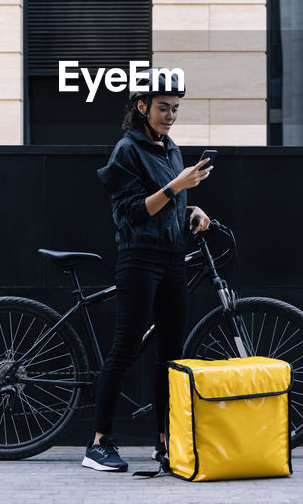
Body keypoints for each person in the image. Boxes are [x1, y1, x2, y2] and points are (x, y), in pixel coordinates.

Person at [83, 68, 212, 473]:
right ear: (141, 107)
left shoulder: (171, 150)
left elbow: (167, 204)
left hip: (173, 256)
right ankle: (98, 444)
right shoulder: (127, 149)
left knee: (171, 355)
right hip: (139, 256)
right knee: (124, 348)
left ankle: (165, 442)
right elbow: (133, 212)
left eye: (175, 109)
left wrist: (193, 209)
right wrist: (177, 187)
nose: (170, 115)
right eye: (162, 108)